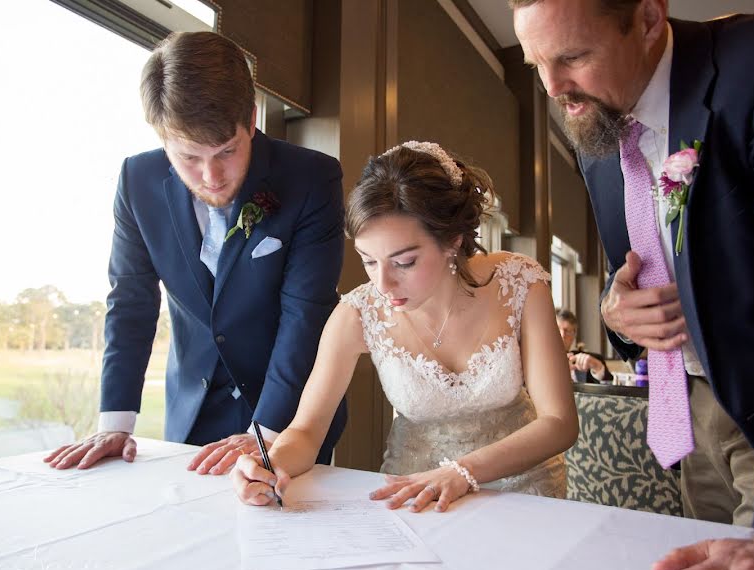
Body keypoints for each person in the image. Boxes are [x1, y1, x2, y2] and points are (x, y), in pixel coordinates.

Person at [512, 1, 754, 570]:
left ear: (648, 19)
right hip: (687, 411)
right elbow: (635, 271)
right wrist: (616, 311)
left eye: (573, 57)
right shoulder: (596, 130)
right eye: (536, 65)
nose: (554, 88)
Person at [43, 31, 347, 472]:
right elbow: (130, 301)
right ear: (161, 136)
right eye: (189, 157)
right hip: (193, 409)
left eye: (227, 151)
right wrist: (116, 420)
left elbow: (306, 312)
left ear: (252, 116)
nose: (212, 176)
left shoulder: (311, 179)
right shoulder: (136, 181)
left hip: (291, 417)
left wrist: (268, 432)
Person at [232, 141, 578, 512]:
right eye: (369, 261)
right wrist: (270, 465)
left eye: (405, 262)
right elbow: (305, 432)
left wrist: (463, 472)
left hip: (523, 494)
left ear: (452, 241)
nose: (383, 284)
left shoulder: (519, 282)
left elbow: (559, 422)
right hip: (415, 498)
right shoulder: (357, 314)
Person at [556, 309, 612, 383]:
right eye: (557, 330)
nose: (562, 335)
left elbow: (609, 389)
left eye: (567, 331)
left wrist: (598, 367)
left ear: (574, 335)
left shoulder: (590, 361)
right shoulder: (538, 363)